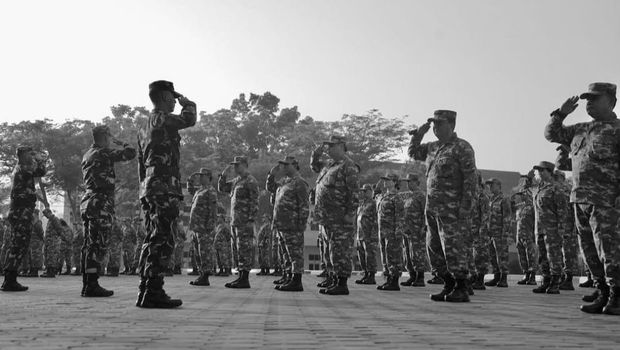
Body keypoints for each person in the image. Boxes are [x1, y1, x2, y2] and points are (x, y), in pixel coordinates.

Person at [545, 82, 620, 314]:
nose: (589, 103)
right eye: (587, 99)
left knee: (609, 249)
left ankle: (617, 295)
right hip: (580, 199)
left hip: (607, 201)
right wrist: (561, 114)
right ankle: (603, 291)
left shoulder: (617, 130)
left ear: (612, 102)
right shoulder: (580, 129)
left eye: (595, 98)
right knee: (588, 250)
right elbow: (551, 134)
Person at [136, 80, 195, 308]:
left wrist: (143, 190)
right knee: (164, 238)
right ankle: (154, 291)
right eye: (172, 96)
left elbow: (141, 164)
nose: (175, 100)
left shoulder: (143, 126)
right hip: (164, 187)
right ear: (163, 97)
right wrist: (188, 103)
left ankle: (146, 287)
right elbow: (189, 119)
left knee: (152, 237)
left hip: (150, 187)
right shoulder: (162, 119)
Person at [408, 110, 477, 303]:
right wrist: (419, 134)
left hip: (453, 209)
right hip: (433, 208)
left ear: (452, 125)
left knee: (453, 248)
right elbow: (413, 153)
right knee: (434, 248)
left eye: (440, 123)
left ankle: (462, 287)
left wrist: (466, 206)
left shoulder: (462, 147)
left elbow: (470, 179)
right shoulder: (432, 147)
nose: (436, 127)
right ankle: (448, 284)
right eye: (434, 124)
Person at [81, 124, 135, 296]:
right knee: (98, 244)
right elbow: (130, 154)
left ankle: (88, 282)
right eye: (109, 137)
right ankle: (92, 284)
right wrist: (123, 143)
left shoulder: (87, 154)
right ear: (105, 137)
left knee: (89, 245)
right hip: (100, 203)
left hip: (89, 201)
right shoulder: (102, 152)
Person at [311, 135, 360, 296]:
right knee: (329, 250)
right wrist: (315, 155)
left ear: (341, 146)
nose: (329, 149)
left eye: (332, 146)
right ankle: (333, 278)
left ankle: (342, 283)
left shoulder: (348, 166)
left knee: (340, 250)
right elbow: (315, 167)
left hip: (340, 218)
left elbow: (353, 193)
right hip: (327, 217)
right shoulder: (330, 165)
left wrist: (350, 214)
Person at [1, 146, 46, 292]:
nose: (31, 156)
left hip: (21, 212)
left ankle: (11, 279)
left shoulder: (21, 168)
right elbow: (40, 171)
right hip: (21, 213)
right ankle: (9, 280)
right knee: (18, 245)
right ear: (22, 154)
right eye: (29, 153)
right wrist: (40, 159)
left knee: (19, 245)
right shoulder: (22, 168)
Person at [267, 156, 310, 292]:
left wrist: (301, 225)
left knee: (294, 254)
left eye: (287, 165)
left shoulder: (300, 183)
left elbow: (304, 206)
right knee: (285, 253)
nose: (284, 167)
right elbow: (270, 188)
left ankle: (296, 281)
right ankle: (288, 276)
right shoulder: (285, 182)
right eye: (283, 165)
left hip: (293, 225)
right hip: (282, 224)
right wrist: (271, 175)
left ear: (295, 165)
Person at [218, 156, 259, 289]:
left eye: (237, 165)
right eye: (234, 165)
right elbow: (222, 188)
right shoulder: (236, 181)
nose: (235, 167)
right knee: (237, 249)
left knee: (244, 249)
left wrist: (250, 220)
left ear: (245, 165)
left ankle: (245, 278)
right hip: (235, 221)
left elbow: (254, 201)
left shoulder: (250, 181)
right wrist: (223, 175)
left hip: (244, 221)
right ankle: (240, 276)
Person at [531, 161, 568, 295]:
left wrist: (561, 229)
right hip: (539, 229)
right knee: (542, 257)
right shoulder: (539, 188)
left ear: (549, 172)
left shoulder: (556, 188)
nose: (539, 173)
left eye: (542, 170)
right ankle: (546, 281)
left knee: (554, 256)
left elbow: (562, 210)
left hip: (552, 229)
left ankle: (555, 283)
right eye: (538, 171)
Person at [188, 168, 218, 287]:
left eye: (202, 175)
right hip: (196, 227)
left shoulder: (210, 191)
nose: (200, 178)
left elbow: (213, 210)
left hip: (205, 227)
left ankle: (205, 276)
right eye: (199, 175)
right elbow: (190, 189)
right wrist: (190, 179)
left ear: (208, 177)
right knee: (198, 252)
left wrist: (210, 225)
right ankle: (201, 274)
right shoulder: (200, 190)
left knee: (205, 251)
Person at [375, 174, 405, 291]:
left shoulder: (396, 198)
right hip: (382, 231)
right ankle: (388, 279)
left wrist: (398, 232)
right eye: (384, 180)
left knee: (394, 256)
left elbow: (400, 217)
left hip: (392, 232)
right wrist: (378, 185)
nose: (384, 182)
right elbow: (375, 195)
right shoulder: (383, 196)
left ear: (394, 182)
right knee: (385, 255)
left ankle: (394, 281)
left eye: (387, 180)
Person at [399, 173, 427, 287]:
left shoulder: (421, 196)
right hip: (407, 231)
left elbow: (425, 212)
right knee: (407, 254)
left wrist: (424, 227)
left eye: (410, 181)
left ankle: (420, 277)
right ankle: (412, 275)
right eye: (407, 182)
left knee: (417, 254)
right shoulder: (408, 196)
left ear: (416, 182)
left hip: (417, 230)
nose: (408, 183)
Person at [553, 170, 579, 291]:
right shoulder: (561, 189)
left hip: (567, 226)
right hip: (563, 226)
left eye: (556, 177)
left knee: (567, 253)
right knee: (564, 253)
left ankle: (568, 280)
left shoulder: (564, 189)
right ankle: (564, 278)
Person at [484, 178, 511, 288]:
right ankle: (496, 276)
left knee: (502, 256)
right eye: (489, 185)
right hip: (490, 233)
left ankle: (503, 278)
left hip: (500, 233)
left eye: (492, 185)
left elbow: (507, 218)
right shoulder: (490, 199)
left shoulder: (503, 199)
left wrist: (505, 233)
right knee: (492, 256)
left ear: (498, 186)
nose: (490, 187)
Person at [513, 174, 538, 286]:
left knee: (531, 255)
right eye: (521, 194)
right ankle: (526, 274)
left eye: (523, 194)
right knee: (522, 254)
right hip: (520, 236)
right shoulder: (520, 207)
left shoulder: (533, 207)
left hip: (529, 235)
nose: (522, 196)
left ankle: (532, 276)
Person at [470, 173, 491, 290]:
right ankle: (473, 277)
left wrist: (482, 233)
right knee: (472, 256)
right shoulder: (472, 196)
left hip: (479, 232)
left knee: (480, 256)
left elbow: (485, 217)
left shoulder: (483, 197)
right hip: (471, 231)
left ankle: (480, 280)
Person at [354, 184, 378, 285]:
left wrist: (373, 234)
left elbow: (376, 220)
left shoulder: (373, 204)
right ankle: (365, 274)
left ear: (370, 191)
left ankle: (371, 276)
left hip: (369, 235)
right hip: (361, 234)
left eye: (365, 191)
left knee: (370, 256)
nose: (362, 193)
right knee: (361, 255)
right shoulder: (362, 204)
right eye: (362, 191)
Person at [40, 208, 62, 278]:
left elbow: (59, 230)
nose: (45, 216)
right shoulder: (50, 220)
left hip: (52, 242)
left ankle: (51, 272)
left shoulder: (55, 219)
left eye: (46, 214)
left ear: (49, 213)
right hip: (49, 242)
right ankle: (48, 270)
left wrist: (55, 238)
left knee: (51, 256)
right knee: (48, 256)